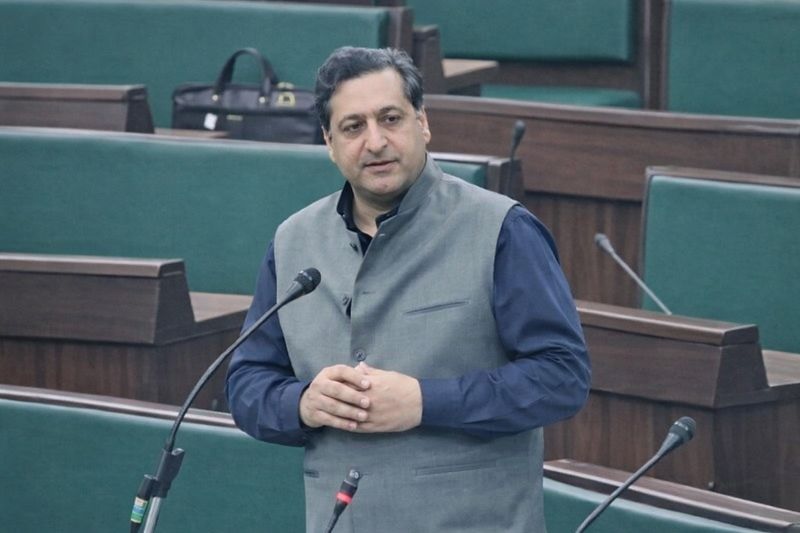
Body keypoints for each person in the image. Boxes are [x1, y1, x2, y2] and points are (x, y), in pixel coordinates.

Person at [226, 46, 590, 533]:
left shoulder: (502, 229)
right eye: (353, 127)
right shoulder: (293, 241)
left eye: (390, 118)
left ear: (423, 123)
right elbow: (246, 384)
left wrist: (425, 401)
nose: (375, 142)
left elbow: (562, 377)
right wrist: (303, 403)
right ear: (329, 143)